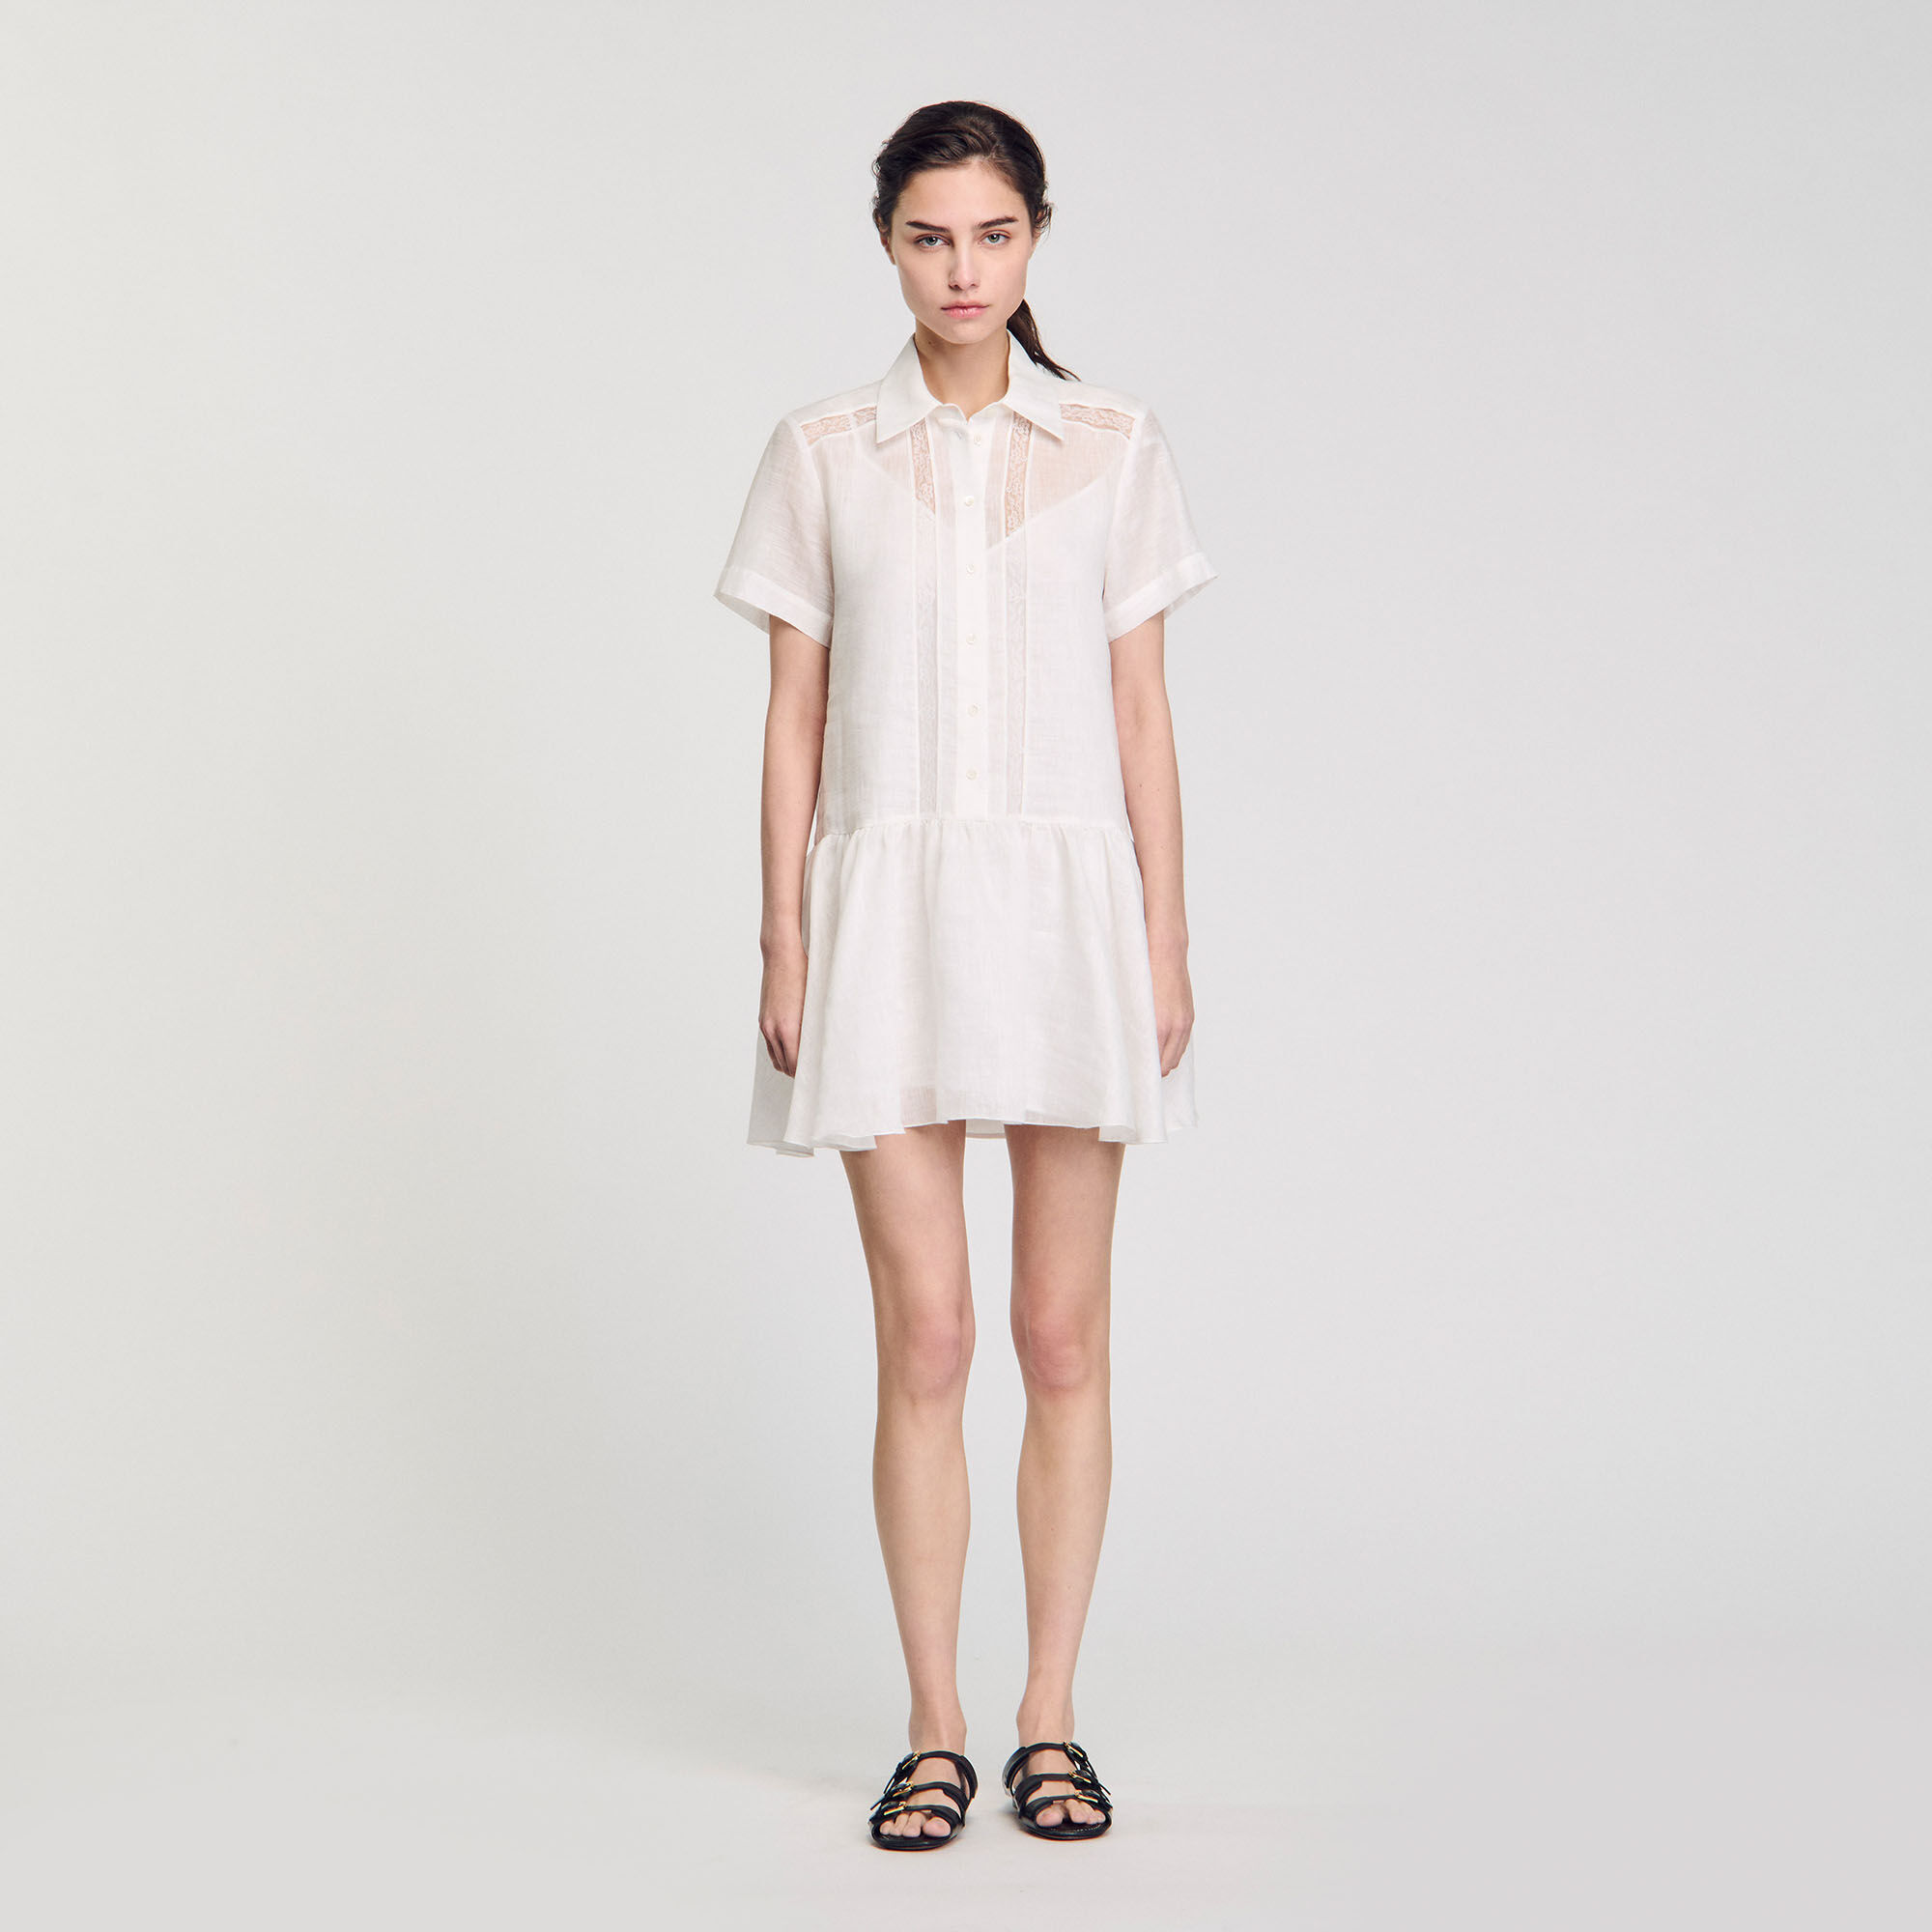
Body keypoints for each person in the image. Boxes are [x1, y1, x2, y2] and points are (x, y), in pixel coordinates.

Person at [713, 99, 1215, 1849]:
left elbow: (1142, 713)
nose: (962, 270)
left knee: (1059, 1334)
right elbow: (793, 714)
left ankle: (1047, 1717)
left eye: (993, 235)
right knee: (924, 1335)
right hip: (887, 916)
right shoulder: (821, 451)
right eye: (929, 237)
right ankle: (933, 1726)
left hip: (1069, 915)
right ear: (886, 244)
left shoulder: (1116, 445)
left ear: (1036, 239)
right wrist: (785, 933)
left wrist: (1165, 936)